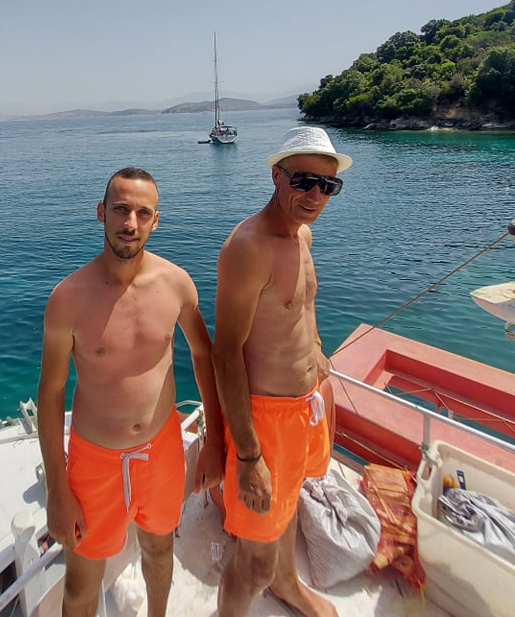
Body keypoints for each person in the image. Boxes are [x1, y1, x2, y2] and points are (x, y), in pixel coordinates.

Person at [37, 166, 223, 617]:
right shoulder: (68, 298)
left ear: (156, 220)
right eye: (120, 209)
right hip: (94, 462)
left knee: (159, 551)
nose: (130, 223)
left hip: (162, 453)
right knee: (81, 584)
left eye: (142, 213)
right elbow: (51, 393)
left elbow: (204, 355)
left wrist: (215, 441)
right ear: (101, 212)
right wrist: (58, 492)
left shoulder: (176, 284)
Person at [213, 126, 352, 617]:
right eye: (303, 181)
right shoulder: (249, 247)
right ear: (276, 175)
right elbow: (225, 354)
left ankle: (287, 582)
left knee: (289, 503)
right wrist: (249, 456)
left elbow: (300, 310)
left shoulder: (302, 236)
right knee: (252, 562)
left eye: (327, 185)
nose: (315, 195)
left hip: (305, 409)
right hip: (266, 423)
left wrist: (317, 351)